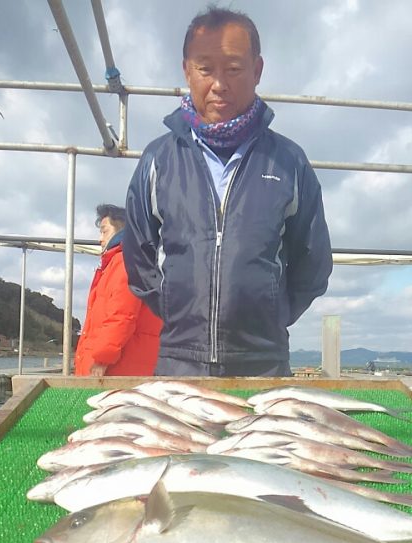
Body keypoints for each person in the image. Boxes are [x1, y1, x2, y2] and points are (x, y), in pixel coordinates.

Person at [124, 5, 333, 377]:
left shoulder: (289, 162)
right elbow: (139, 258)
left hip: (265, 365)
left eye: (234, 69)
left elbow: (313, 262)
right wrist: (177, 313)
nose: (219, 84)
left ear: (257, 71)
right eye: (205, 69)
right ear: (187, 70)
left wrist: (270, 316)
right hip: (179, 364)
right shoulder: (158, 159)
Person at [74, 204, 162, 377]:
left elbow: (122, 314)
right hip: (129, 364)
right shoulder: (125, 262)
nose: (100, 239)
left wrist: (102, 358)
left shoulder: (124, 262)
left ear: (121, 230)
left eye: (104, 231)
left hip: (117, 369)